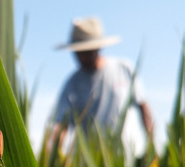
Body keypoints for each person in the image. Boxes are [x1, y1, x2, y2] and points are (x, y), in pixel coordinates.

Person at [51, 17, 153, 156]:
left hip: (128, 158)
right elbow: (61, 125)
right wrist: (52, 155)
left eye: (87, 52)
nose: (83, 58)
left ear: (99, 47)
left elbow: (144, 108)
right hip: (89, 166)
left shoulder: (124, 69)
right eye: (78, 53)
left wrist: (152, 144)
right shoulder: (72, 84)